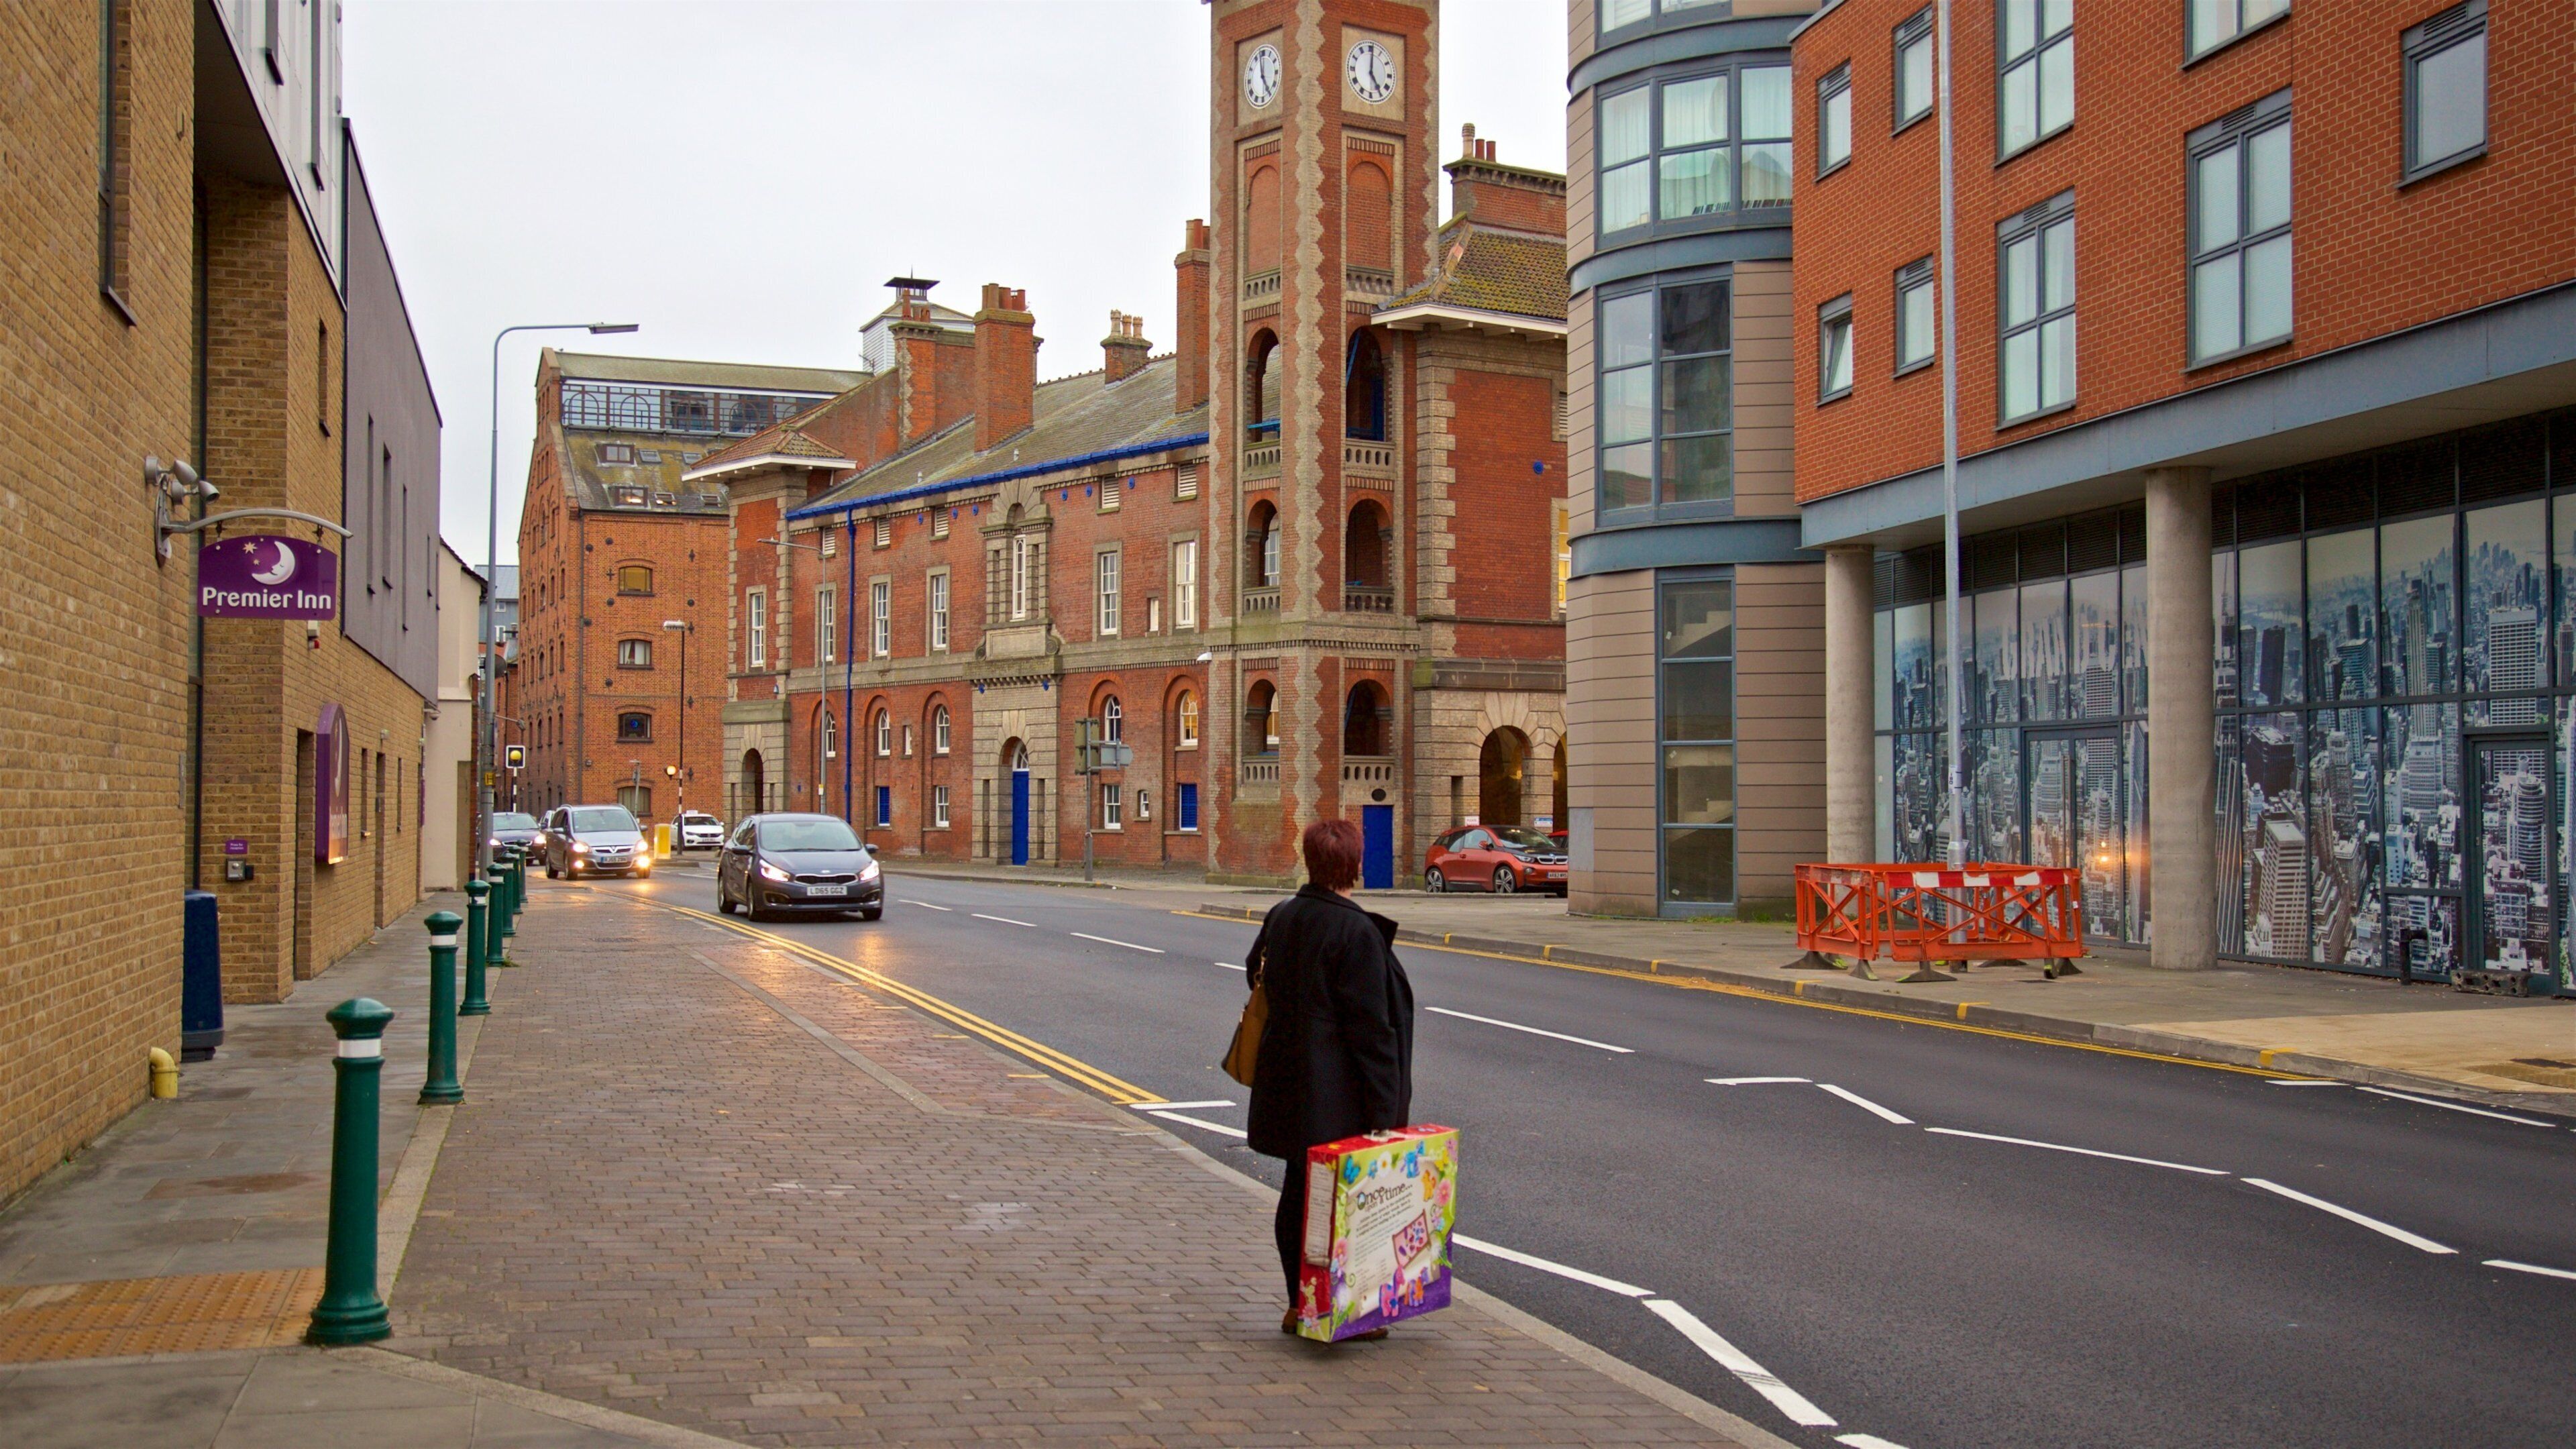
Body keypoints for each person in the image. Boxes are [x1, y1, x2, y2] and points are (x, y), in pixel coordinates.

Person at [1243, 818, 1415, 1336]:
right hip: (1338, 1095)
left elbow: (1256, 973)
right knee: (1349, 1208)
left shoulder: (1283, 915)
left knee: (1299, 1193)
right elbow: (1373, 1033)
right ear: (1355, 866)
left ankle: (1302, 1304)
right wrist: (1387, 1116)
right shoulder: (1355, 931)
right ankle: (1343, 1311)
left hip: (1287, 1081)